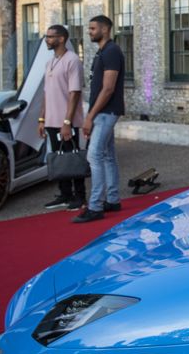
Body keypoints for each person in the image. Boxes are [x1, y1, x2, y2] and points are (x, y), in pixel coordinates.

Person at [73, 15, 126, 224]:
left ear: (105, 29)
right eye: (89, 28)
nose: (90, 32)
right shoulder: (103, 51)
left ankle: (95, 206)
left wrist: (90, 116)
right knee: (107, 156)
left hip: (106, 113)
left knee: (94, 156)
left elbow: (108, 88)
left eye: (93, 28)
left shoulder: (111, 51)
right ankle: (112, 199)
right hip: (103, 112)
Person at [39, 24, 87, 211]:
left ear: (61, 38)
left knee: (72, 157)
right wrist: (41, 119)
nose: (47, 40)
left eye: (50, 37)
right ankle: (65, 195)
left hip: (67, 121)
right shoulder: (49, 62)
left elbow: (74, 93)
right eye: (46, 36)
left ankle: (80, 197)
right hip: (51, 120)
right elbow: (45, 93)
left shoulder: (72, 60)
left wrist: (67, 122)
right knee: (60, 159)